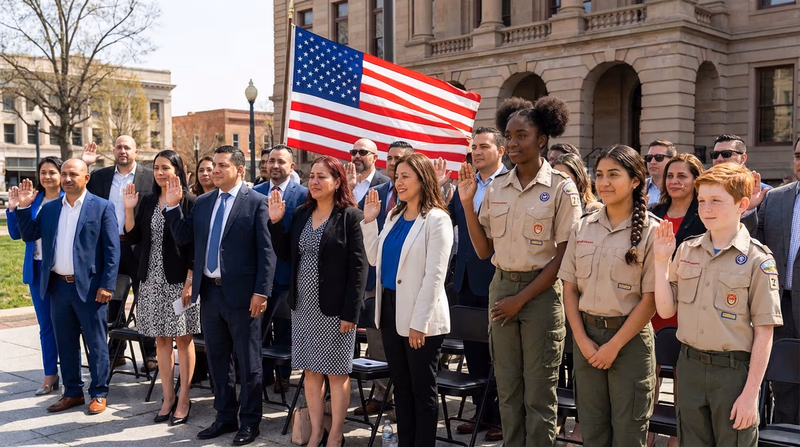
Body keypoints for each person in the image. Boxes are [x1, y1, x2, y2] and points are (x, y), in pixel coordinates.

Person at [458, 96, 582, 446]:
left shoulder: (561, 186)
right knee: (508, 389)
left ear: (542, 139)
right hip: (502, 289)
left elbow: (562, 258)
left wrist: (520, 300)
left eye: (521, 135)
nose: (512, 143)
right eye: (508, 136)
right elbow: (484, 250)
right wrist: (468, 203)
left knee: (539, 394)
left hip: (540, 295)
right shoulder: (497, 187)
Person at [654, 162, 783, 446]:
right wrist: (661, 263)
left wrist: (751, 395)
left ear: (742, 204)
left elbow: (765, 332)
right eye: (701, 201)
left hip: (733, 373)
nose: (706, 208)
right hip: (689, 366)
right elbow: (665, 310)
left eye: (716, 201)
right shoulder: (687, 249)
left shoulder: (758, 260)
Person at [164, 145, 276, 445]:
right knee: (217, 360)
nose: (214, 170)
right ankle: (225, 417)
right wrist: (174, 207)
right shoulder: (203, 202)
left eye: (222, 166)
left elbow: (267, 253)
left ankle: (250, 422)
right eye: (214, 165)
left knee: (248, 362)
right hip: (210, 295)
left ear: (240, 170)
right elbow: (185, 238)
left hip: (243, 297)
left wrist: (260, 292)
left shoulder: (256, 202)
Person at [557, 145, 659, 447]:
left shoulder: (651, 231)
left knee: (629, 434)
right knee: (593, 431)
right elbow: (570, 289)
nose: (604, 182)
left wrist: (613, 346)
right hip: (586, 338)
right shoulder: (583, 226)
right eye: (599, 175)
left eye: (614, 175)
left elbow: (650, 300)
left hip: (629, 343)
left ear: (635, 181)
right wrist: (583, 341)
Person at [268, 155, 367, 447]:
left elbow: (359, 268)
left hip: (336, 310)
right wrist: (275, 223)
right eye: (312, 176)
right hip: (304, 307)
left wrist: (351, 312)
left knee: (336, 374)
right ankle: (316, 432)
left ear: (337, 182)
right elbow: (285, 254)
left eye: (322, 176)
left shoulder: (350, 216)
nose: (314, 181)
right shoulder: (300, 213)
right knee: (310, 371)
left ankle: (336, 433)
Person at [361, 152, 454, 447]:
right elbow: (375, 257)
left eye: (405, 177)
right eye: (396, 176)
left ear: (422, 179)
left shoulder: (437, 219)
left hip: (420, 316)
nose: (398, 182)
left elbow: (435, 276)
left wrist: (419, 323)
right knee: (400, 386)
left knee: (421, 389)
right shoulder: (393, 215)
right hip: (389, 309)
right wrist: (368, 222)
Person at [14, 159, 120, 414]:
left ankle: (99, 393)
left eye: (73, 174)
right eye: (64, 174)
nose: (67, 178)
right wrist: (23, 207)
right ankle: (72, 392)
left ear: (86, 178)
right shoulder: (50, 209)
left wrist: (106, 284)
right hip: (58, 287)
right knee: (65, 343)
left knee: (96, 344)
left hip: (91, 288)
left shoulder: (102, 207)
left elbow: (112, 250)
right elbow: (29, 235)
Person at [122, 150, 199, 426]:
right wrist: (129, 209)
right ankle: (167, 398)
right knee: (162, 341)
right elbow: (132, 237)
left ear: (178, 170)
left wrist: (190, 280)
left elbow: (193, 245)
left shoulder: (190, 201)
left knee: (183, 339)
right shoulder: (147, 202)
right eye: (156, 167)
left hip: (180, 281)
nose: (160, 172)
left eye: (166, 167)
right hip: (151, 281)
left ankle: (184, 398)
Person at [448, 127, 506, 441]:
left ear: (501, 150)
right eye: (474, 147)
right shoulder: (465, 184)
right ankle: (481, 413)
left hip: (497, 280)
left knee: (500, 354)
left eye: (484, 146)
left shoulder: (510, 184)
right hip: (467, 279)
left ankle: (501, 416)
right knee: (474, 352)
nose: (477, 152)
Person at [646, 153, 706, 447]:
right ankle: (646, 432)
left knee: (683, 373)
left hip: (687, 305)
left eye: (682, 176)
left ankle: (677, 437)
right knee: (649, 370)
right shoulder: (653, 212)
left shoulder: (704, 216)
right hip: (651, 303)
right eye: (670, 176)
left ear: (696, 181)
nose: (674, 181)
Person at [82, 138, 157, 370]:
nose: (122, 151)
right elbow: (74, 182)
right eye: (118, 147)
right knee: (113, 298)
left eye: (127, 147)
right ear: (113, 151)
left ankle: (150, 353)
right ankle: (117, 351)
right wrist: (84, 163)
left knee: (145, 298)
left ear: (136, 151)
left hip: (140, 247)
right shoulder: (99, 177)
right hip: (108, 247)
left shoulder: (149, 175)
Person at [355, 140, 414, 416]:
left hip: (405, 284)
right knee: (378, 343)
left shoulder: (416, 196)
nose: (392, 163)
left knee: (405, 347)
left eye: (399, 159)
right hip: (374, 280)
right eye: (390, 158)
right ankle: (381, 395)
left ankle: (405, 398)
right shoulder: (375, 193)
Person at [746, 137, 800, 425]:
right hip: (781, 308)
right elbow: (754, 245)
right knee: (784, 390)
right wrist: (750, 211)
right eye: (798, 155)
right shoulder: (776, 198)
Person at [5, 157, 64, 395]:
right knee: (46, 326)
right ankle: (50, 375)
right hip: (38, 270)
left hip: (61, 270)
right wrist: (15, 208)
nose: (47, 176)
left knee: (68, 326)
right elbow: (17, 234)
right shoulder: (34, 199)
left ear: (62, 175)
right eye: (43, 172)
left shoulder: (68, 199)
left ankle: (75, 375)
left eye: (52, 172)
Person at [253, 144, 309, 394]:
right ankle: (263, 374)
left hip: (290, 275)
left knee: (285, 330)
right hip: (260, 276)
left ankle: (283, 376)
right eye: (271, 161)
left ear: (291, 166)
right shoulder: (254, 193)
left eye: (281, 162)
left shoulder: (305, 196)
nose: (274, 166)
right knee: (260, 329)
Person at [347, 138, 390, 203]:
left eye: (363, 152)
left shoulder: (386, 184)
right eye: (354, 152)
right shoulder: (343, 182)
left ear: (374, 158)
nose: (357, 156)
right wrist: (347, 188)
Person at [644, 139, 677, 205]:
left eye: (658, 157)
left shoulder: (677, 187)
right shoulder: (639, 187)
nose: (652, 162)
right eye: (649, 157)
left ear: (672, 160)